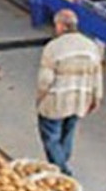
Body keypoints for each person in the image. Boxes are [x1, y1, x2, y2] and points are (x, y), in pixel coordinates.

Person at [35, 10, 102, 176]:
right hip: (80, 100)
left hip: (56, 101)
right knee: (67, 134)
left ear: (60, 26)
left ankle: (62, 172)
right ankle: (61, 162)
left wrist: (40, 98)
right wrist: (96, 98)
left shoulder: (53, 47)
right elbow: (97, 76)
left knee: (51, 138)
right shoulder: (91, 46)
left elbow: (45, 80)